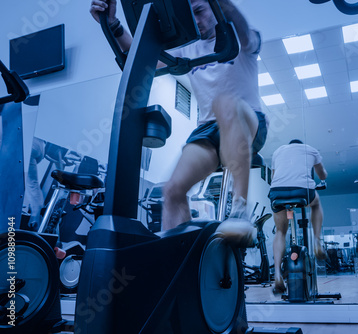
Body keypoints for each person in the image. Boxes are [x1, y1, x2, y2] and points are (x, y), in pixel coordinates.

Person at [89, 0, 267, 247]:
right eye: (190, 15)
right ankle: (175, 261)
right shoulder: (189, 48)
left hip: (248, 120)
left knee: (225, 103)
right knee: (172, 191)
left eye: (200, 11)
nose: (197, 21)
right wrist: (113, 25)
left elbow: (245, 31)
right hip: (207, 129)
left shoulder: (240, 37)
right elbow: (145, 57)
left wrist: (223, 4)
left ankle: (239, 211)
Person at [268, 139, 328, 294]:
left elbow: (274, 176)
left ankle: (276, 273)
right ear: (301, 144)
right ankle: (317, 241)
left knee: (280, 232)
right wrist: (321, 176)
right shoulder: (311, 149)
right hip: (302, 191)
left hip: (277, 192)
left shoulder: (278, 151)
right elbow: (323, 174)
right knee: (316, 203)